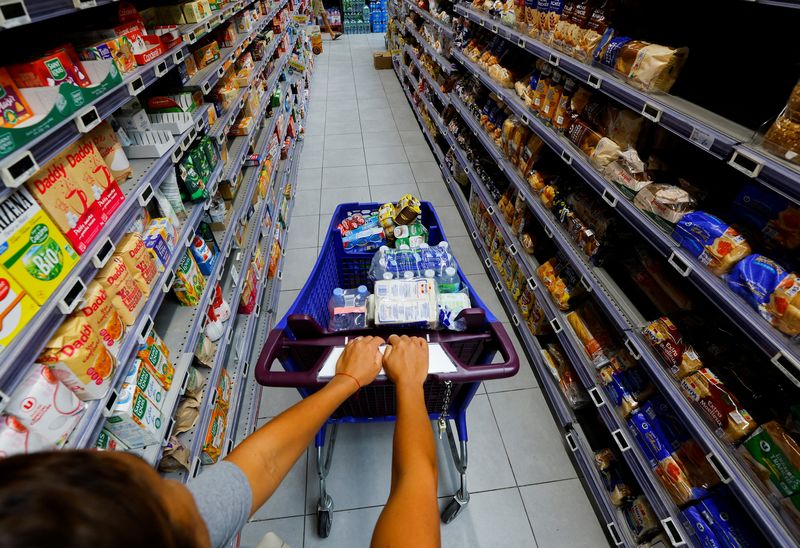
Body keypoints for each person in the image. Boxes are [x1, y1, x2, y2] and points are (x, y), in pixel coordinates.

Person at [0, 335, 440, 548]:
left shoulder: (142, 532)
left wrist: (347, 380)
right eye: (170, 490)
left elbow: (262, 465)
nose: (185, 489)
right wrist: (410, 383)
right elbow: (416, 482)